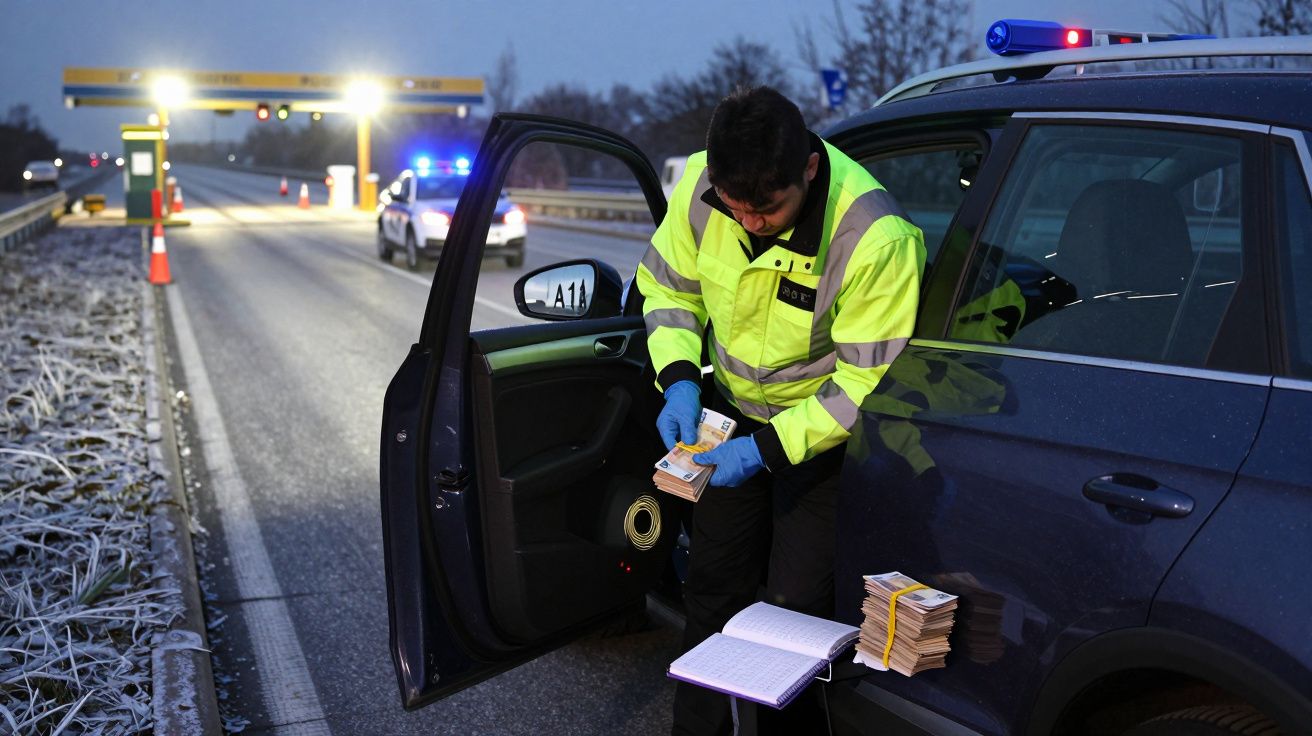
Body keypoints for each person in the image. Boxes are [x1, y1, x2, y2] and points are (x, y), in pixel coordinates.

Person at [636, 85, 926, 735]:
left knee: (793, 617)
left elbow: (863, 385)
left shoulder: (874, 236)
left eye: (767, 209)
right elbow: (669, 288)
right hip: (729, 417)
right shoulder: (702, 192)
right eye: (737, 208)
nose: (751, 223)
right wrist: (680, 378)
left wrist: (766, 451)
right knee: (711, 588)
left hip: (819, 442)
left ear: (809, 169)